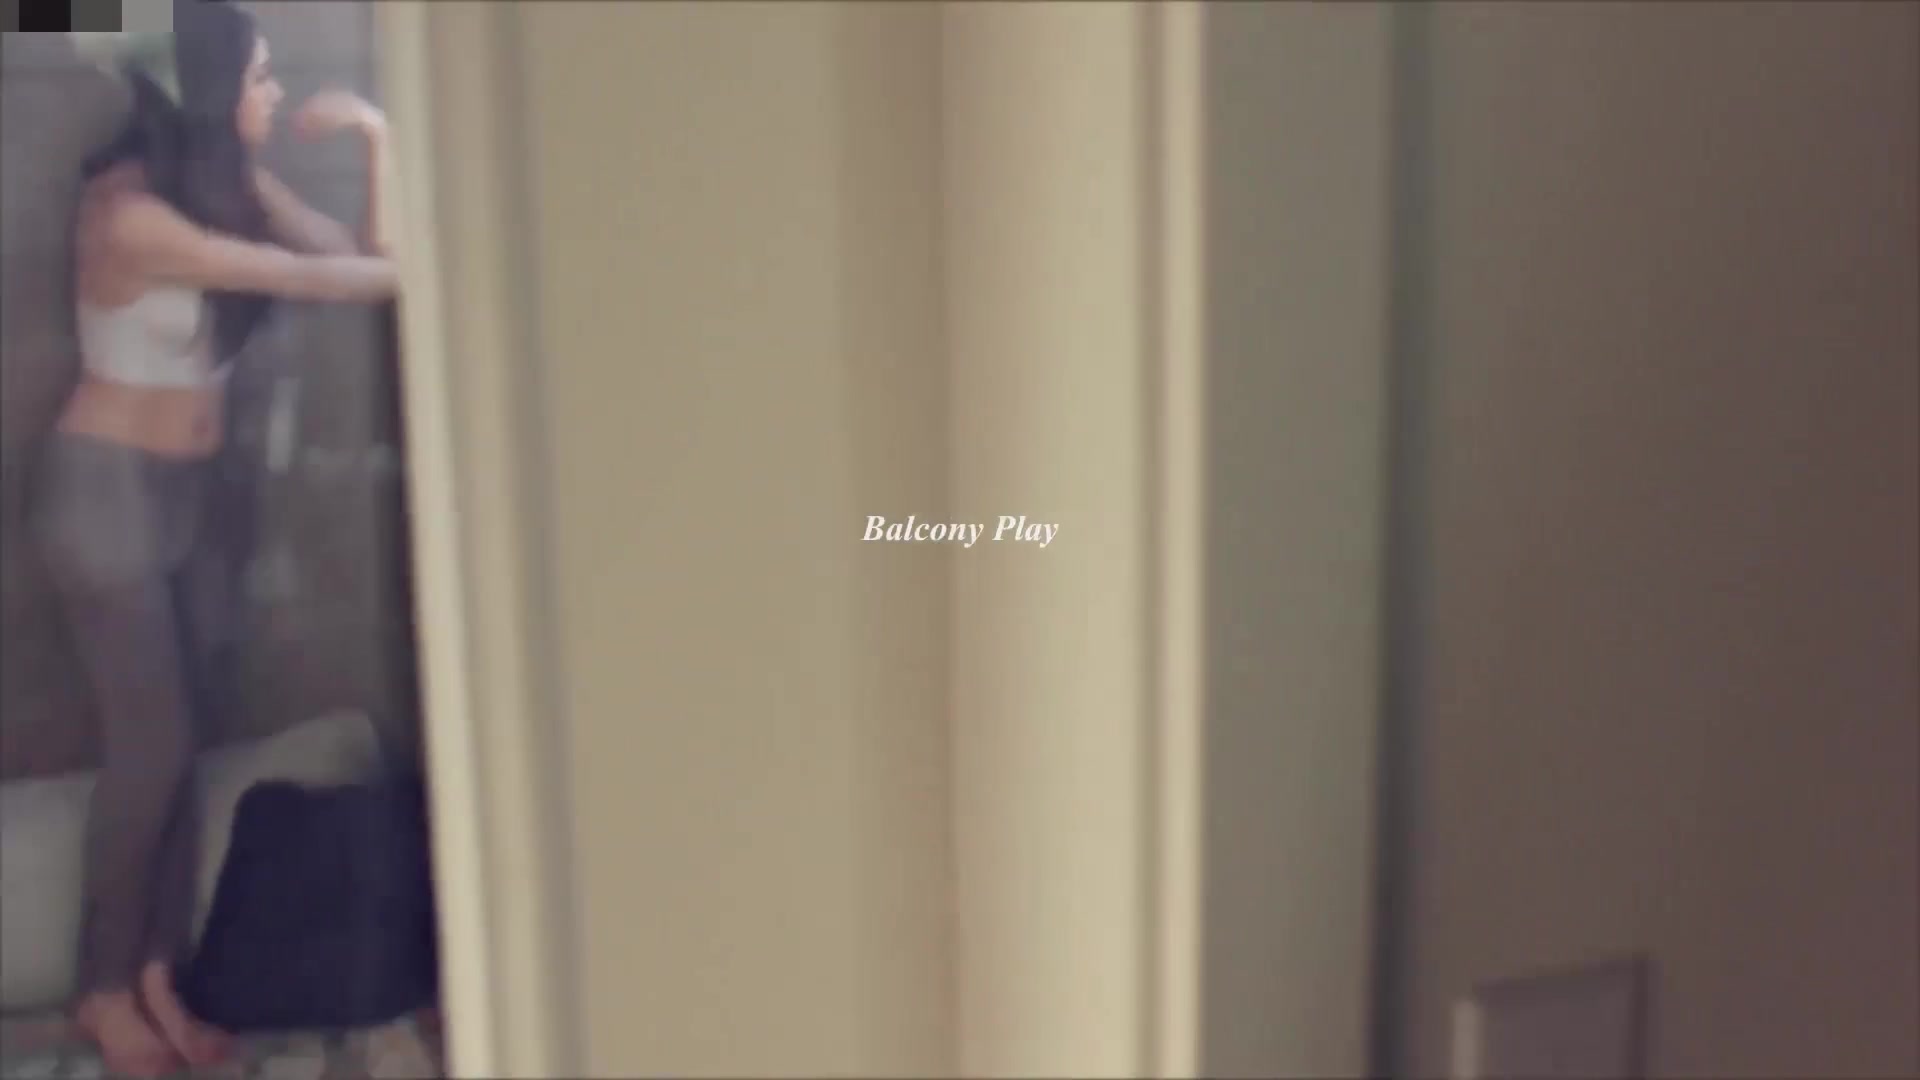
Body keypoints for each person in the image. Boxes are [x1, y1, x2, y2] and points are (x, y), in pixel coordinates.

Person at [28, 6, 400, 1075]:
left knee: (183, 744)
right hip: (101, 496)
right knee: (146, 746)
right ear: (209, 87)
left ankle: (158, 977)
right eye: (259, 75)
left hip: (188, 501)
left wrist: (374, 139)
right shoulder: (130, 216)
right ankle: (102, 991)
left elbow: (353, 259)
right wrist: (436, 276)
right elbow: (330, 282)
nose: (273, 93)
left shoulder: (228, 187)